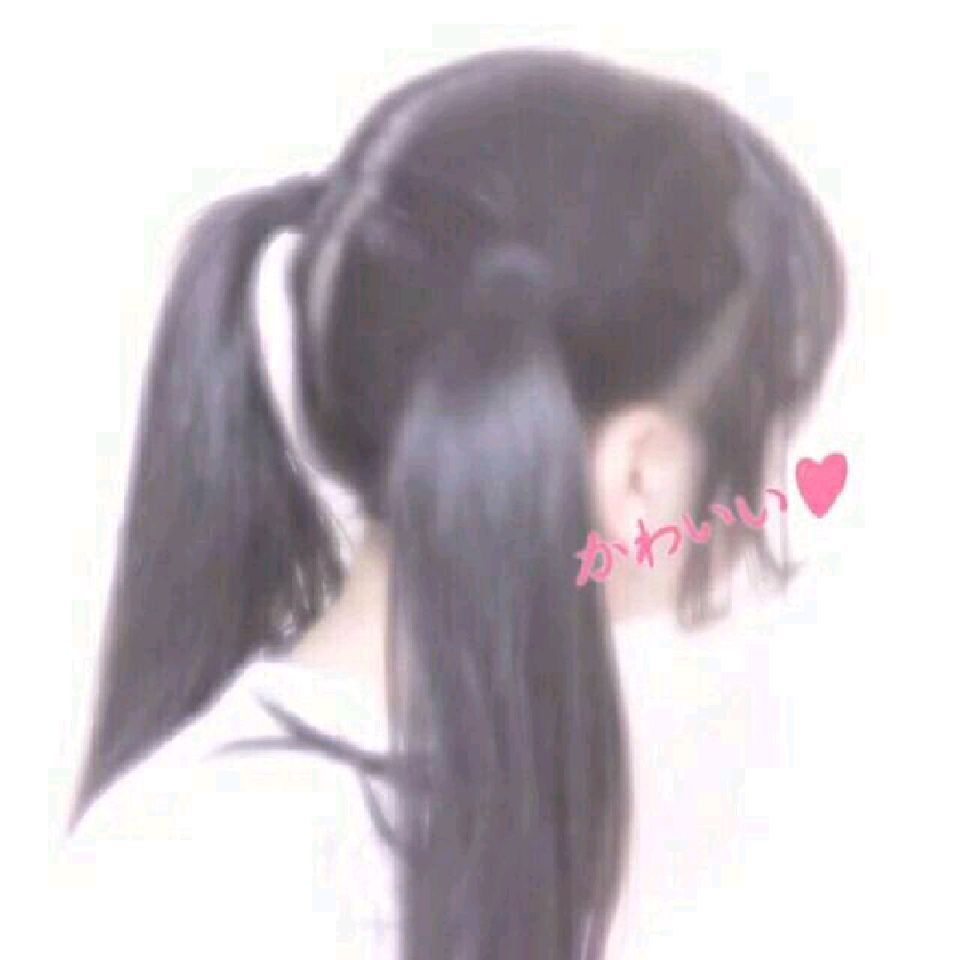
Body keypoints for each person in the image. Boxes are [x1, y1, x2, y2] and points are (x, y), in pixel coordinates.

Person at [57, 47, 844, 960]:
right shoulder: (217, 865)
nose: (765, 494)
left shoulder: (281, 832)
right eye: (763, 430)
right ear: (643, 472)